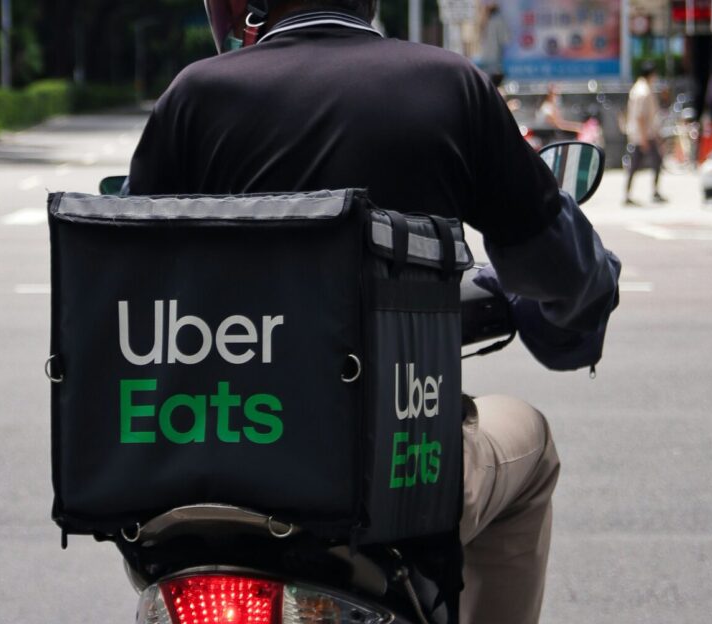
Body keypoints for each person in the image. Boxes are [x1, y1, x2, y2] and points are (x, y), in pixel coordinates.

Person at [129, 1, 621, 622]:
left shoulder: (193, 96)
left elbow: (127, 283)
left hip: (205, 477)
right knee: (533, 445)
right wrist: (590, 286)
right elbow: (560, 272)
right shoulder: (450, 86)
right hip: (395, 479)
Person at [624, 62, 665, 205]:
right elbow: (640, 116)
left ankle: (629, 193)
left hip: (640, 133)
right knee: (653, 161)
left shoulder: (638, 88)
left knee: (636, 164)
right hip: (644, 134)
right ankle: (652, 192)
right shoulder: (643, 91)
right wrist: (644, 138)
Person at [475, 3, 510, 77]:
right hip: (494, 57)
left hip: (484, 56)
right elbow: (505, 39)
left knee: (486, 75)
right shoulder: (498, 20)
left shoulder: (484, 19)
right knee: (493, 75)